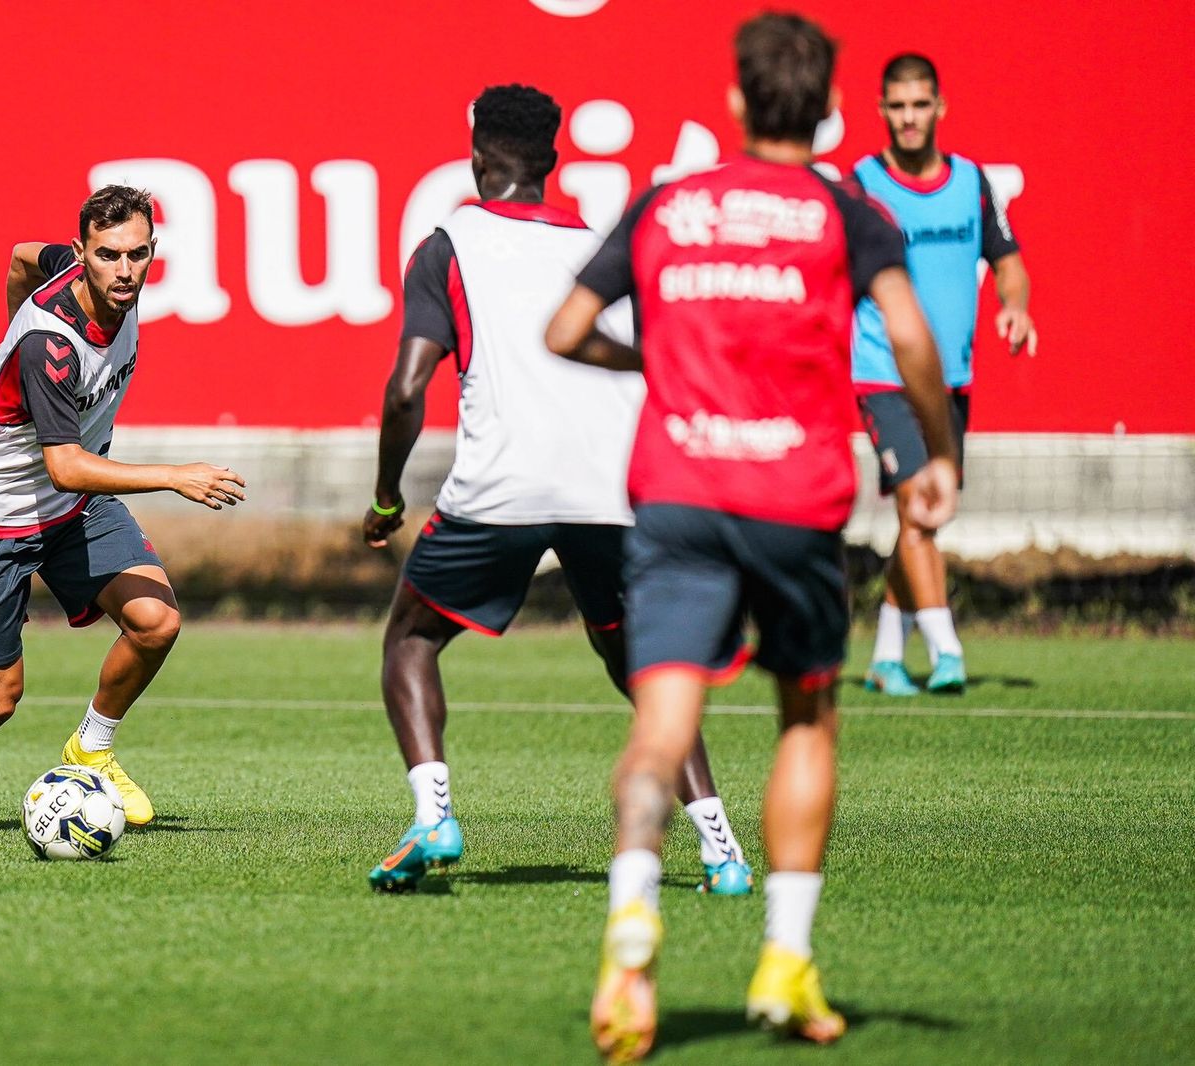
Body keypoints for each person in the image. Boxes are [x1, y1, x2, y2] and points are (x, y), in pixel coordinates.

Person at [545, 14, 959, 1059]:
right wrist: (934, 457)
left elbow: (564, 331)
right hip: (794, 501)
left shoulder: (666, 204)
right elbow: (911, 336)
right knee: (805, 720)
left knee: (660, 730)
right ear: (831, 109)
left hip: (678, 496)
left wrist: (647, 363)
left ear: (735, 102)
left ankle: (631, 920)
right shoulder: (845, 210)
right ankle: (784, 958)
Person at [362, 84, 752, 896]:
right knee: (643, 668)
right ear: (553, 160)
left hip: (501, 488)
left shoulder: (448, 245)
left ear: (476, 155)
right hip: (611, 491)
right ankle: (722, 850)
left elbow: (405, 391)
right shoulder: (597, 248)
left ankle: (434, 818)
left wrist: (387, 497)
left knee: (410, 639)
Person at [0, 185, 247, 833]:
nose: (124, 270)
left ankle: (92, 746)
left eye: (137, 254)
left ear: (152, 251)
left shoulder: (97, 280)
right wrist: (175, 477)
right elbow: (65, 464)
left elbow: (19, 258)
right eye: (108, 255)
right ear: (83, 253)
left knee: (156, 623)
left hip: (73, 506)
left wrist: (4, 328)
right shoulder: (49, 347)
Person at [853, 52, 1036, 696]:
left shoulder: (971, 183)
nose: (909, 118)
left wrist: (1015, 307)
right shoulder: (861, 186)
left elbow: (1008, 262)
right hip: (882, 373)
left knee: (921, 521)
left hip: (950, 380)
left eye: (920, 104)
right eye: (898, 106)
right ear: (881, 110)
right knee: (919, 502)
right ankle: (947, 648)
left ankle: (885, 658)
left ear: (940, 108)